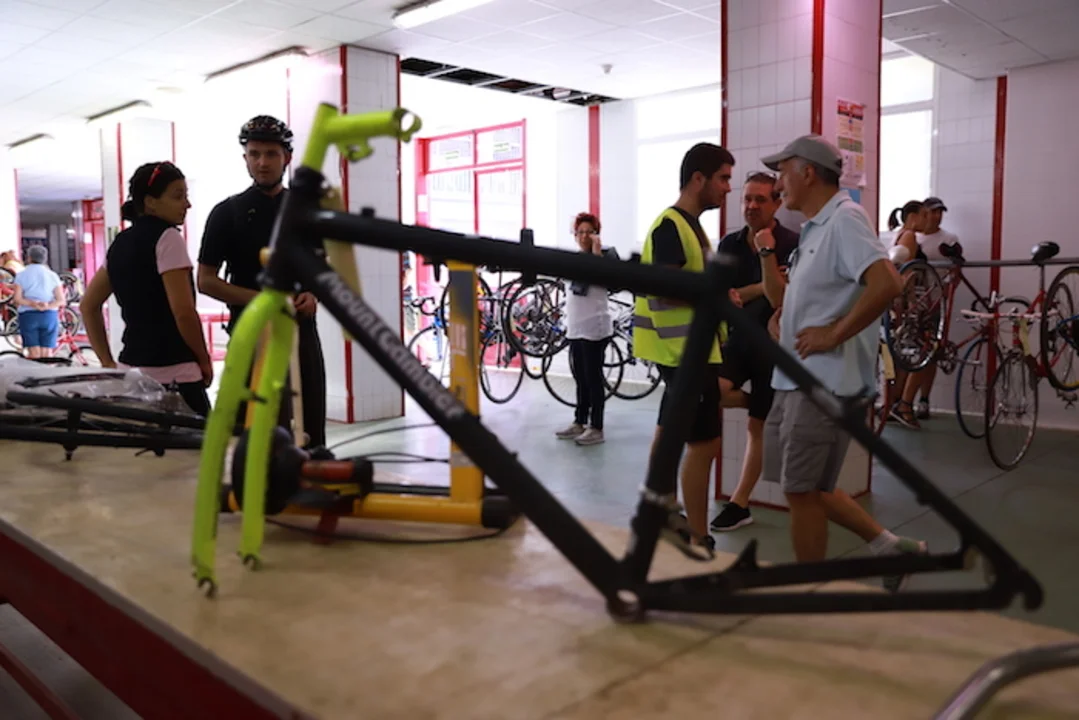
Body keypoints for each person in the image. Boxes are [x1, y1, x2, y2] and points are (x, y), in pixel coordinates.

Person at [760, 135, 927, 591]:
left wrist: (833, 334)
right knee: (805, 486)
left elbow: (886, 283)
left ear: (808, 172)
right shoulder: (815, 228)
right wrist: (785, 317)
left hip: (825, 381)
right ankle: (892, 549)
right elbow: (823, 294)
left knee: (801, 489)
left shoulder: (845, 219)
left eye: (782, 172)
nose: (778, 184)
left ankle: (809, 593)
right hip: (795, 378)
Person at [197, 115, 327, 449]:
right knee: (256, 431)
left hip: (300, 330)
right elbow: (206, 281)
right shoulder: (226, 213)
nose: (262, 162)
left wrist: (313, 294)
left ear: (287, 157)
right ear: (245, 158)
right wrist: (262, 301)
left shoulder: (307, 212)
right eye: (254, 154)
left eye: (271, 154)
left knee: (310, 425)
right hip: (250, 332)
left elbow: (321, 270)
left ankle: (309, 477)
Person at [634, 142, 740, 548]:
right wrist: (714, 294)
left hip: (687, 351)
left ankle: (659, 508)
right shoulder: (671, 226)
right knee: (704, 442)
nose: (727, 188)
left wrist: (721, 294)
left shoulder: (691, 227)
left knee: (669, 431)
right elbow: (668, 286)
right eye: (723, 179)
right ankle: (698, 535)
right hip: (683, 352)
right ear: (699, 179)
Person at [80, 162, 213, 416]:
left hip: (131, 373)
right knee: (200, 441)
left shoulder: (120, 242)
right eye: (178, 196)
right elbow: (183, 312)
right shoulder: (169, 238)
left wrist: (107, 361)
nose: (187, 204)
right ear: (150, 202)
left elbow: (88, 306)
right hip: (176, 374)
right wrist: (204, 359)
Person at [710, 172, 800, 532]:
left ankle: (740, 502)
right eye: (747, 198)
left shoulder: (793, 243)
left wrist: (750, 289)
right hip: (738, 340)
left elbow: (782, 296)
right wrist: (763, 284)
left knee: (755, 428)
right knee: (714, 391)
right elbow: (722, 295)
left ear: (776, 203)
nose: (751, 206)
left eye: (760, 199)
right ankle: (762, 407)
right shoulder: (729, 244)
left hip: (774, 346)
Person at [555, 212, 617, 446]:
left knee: (593, 379)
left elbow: (611, 283)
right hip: (575, 327)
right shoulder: (574, 260)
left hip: (595, 328)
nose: (583, 236)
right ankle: (579, 421)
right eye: (580, 232)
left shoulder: (606, 256)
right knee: (580, 378)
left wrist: (597, 254)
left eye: (589, 232)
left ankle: (596, 427)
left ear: (596, 234)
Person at [906, 196, 961, 419]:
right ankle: (901, 401)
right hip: (913, 304)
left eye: (941, 212)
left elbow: (957, 269)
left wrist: (948, 288)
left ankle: (924, 400)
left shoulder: (949, 239)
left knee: (931, 351)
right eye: (933, 212)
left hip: (936, 302)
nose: (937, 217)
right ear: (923, 214)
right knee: (909, 352)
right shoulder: (911, 237)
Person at [12, 245, 65, 359]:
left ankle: (36, 371)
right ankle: (48, 371)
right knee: (47, 354)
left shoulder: (21, 275)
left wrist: (33, 304)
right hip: (49, 316)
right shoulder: (53, 275)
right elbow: (61, 300)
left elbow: (17, 298)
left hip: (28, 316)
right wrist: (47, 306)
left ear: (29, 258)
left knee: (34, 354)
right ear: (45, 258)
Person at [886, 200, 927, 265]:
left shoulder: (900, 233)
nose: (927, 220)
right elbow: (907, 267)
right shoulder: (909, 235)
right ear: (913, 217)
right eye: (924, 216)